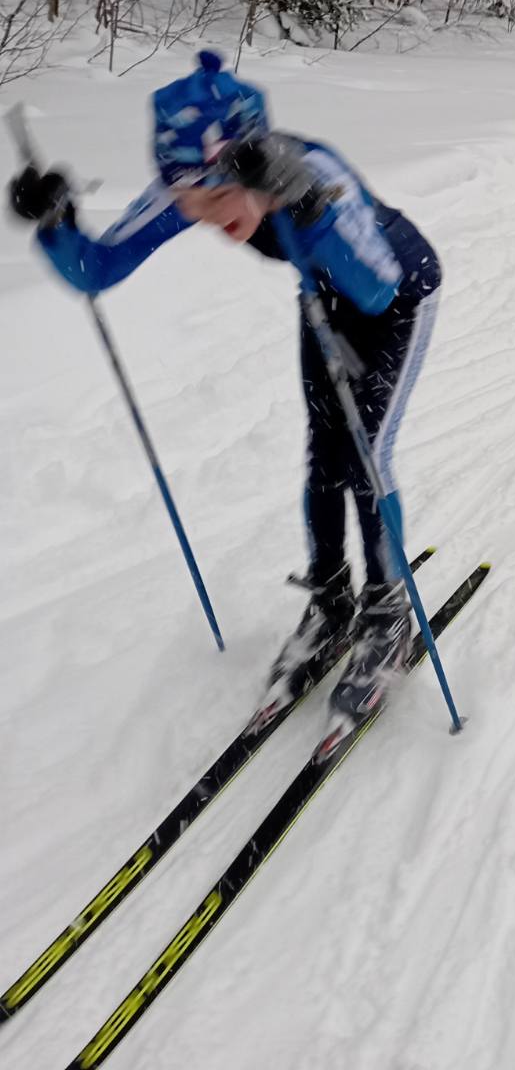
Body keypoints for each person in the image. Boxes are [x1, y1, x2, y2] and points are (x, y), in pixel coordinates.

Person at [7, 50, 440, 721]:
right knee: (322, 452)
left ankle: (388, 617)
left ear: (250, 162)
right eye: (188, 204)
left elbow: (377, 287)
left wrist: (304, 204)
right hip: (322, 298)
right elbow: (95, 269)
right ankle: (330, 603)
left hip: (395, 294)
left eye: (214, 201)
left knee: (365, 455)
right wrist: (57, 221)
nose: (205, 217)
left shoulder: (310, 173)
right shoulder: (196, 178)